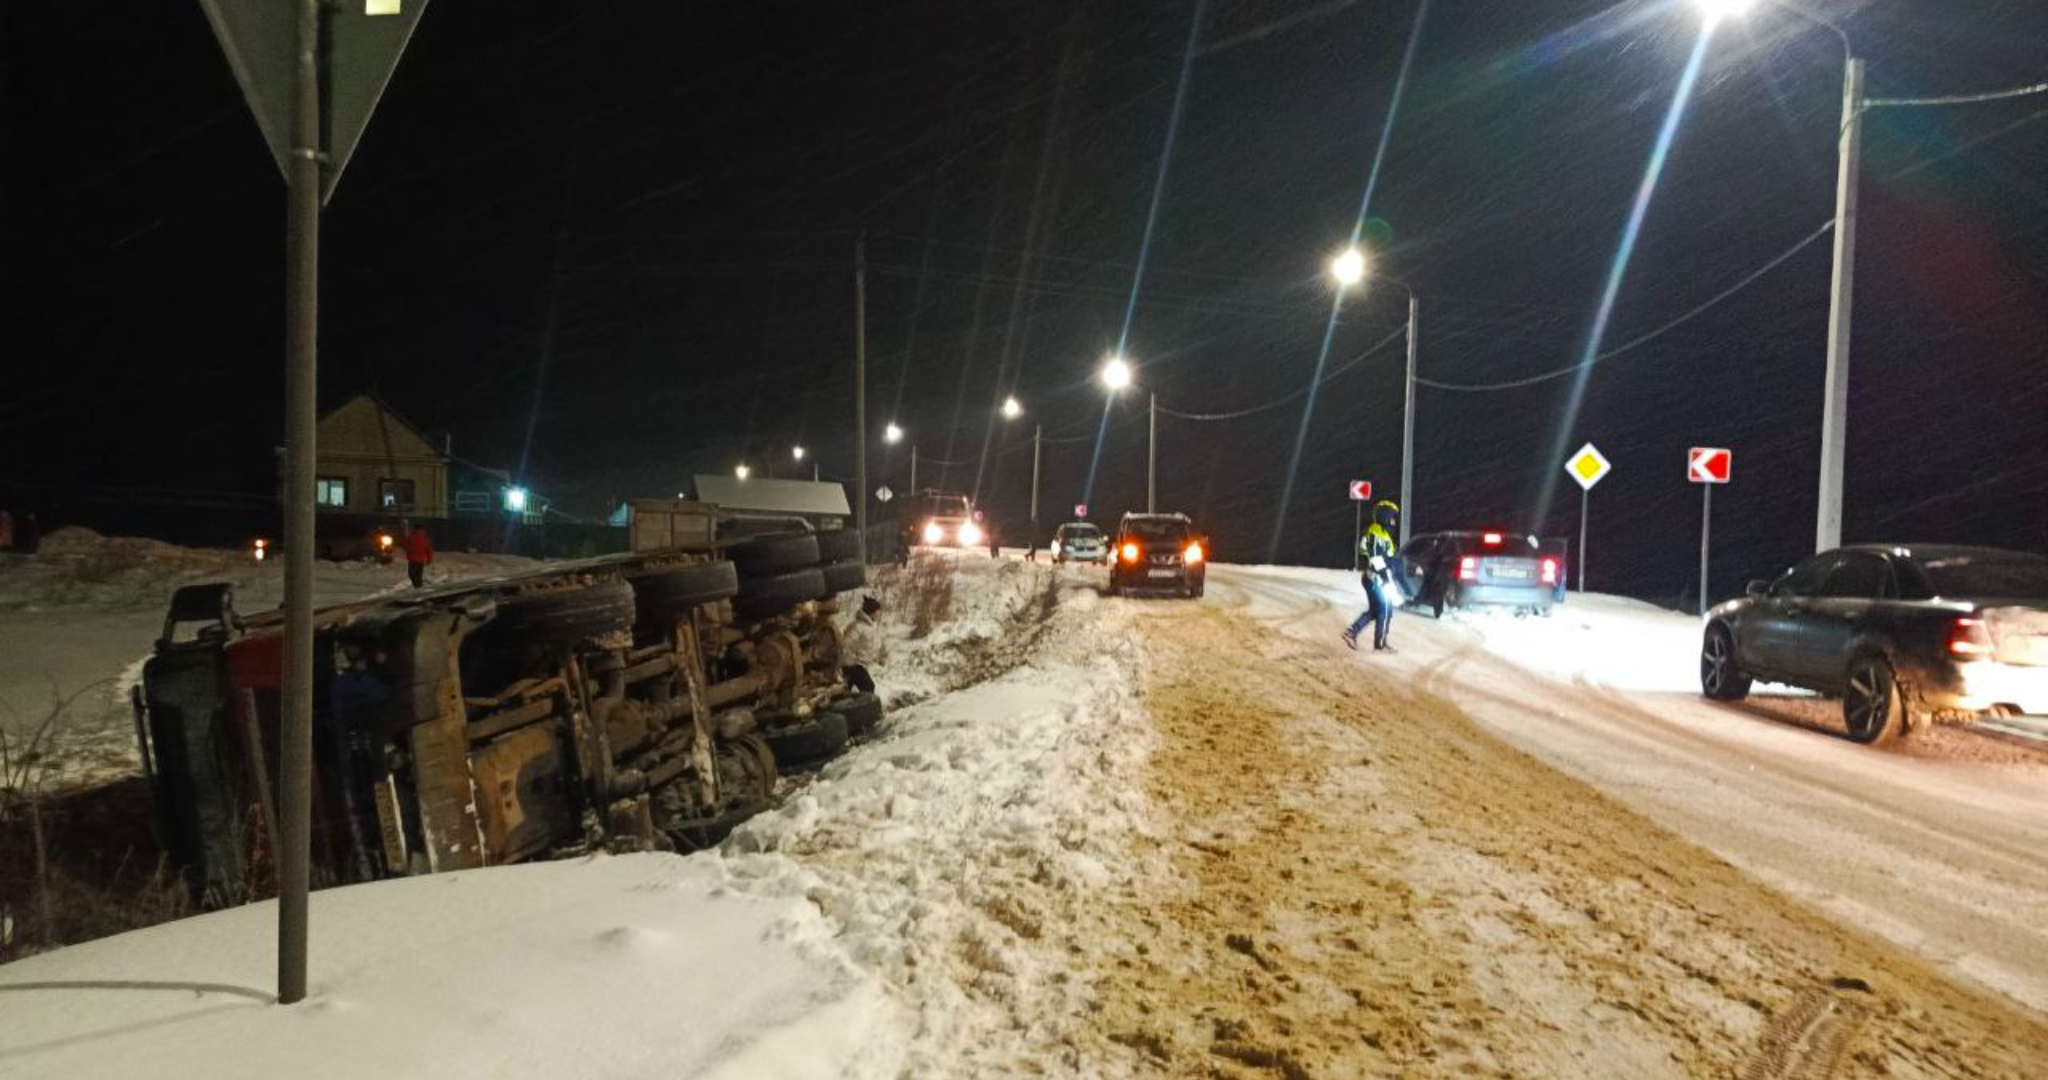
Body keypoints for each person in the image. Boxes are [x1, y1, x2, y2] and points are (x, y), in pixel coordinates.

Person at [1343, 499, 1401, 652]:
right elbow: (1375, 558)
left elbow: (1389, 558)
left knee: (1381, 610)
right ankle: (1378, 645)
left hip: (1378, 578)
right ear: (1386, 516)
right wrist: (1385, 577)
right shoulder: (1375, 532)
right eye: (1393, 517)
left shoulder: (1383, 534)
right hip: (1375, 578)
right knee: (1383, 610)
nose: (1394, 522)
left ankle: (1356, 634)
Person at [841, 595, 883, 695]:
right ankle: (868, 709)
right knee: (868, 687)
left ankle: (850, 708)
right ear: (871, 611)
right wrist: (853, 660)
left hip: (859, 664)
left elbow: (870, 645)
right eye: (878, 611)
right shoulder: (858, 626)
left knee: (845, 690)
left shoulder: (869, 626)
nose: (879, 613)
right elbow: (845, 644)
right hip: (853, 665)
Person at [402, 520, 434, 588]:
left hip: (418, 559)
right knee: (413, 574)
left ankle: (418, 586)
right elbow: (406, 545)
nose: (420, 531)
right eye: (419, 530)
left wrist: (429, 558)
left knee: (415, 574)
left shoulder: (424, 538)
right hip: (414, 559)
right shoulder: (413, 537)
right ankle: (417, 586)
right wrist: (429, 559)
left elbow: (428, 549)